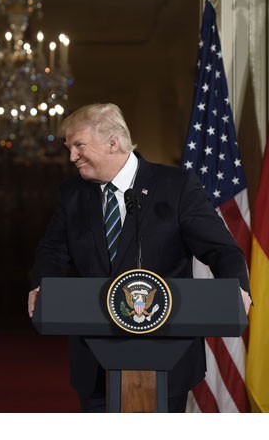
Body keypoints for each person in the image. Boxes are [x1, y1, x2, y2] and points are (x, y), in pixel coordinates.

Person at [28, 103, 252, 413]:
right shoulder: (72, 193)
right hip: (94, 360)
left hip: (166, 353)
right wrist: (42, 284)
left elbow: (220, 249)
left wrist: (236, 288)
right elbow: (53, 249)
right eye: (69, 147)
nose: (72, 157)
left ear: (113, 142)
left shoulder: (175, 187)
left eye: (79, 145)